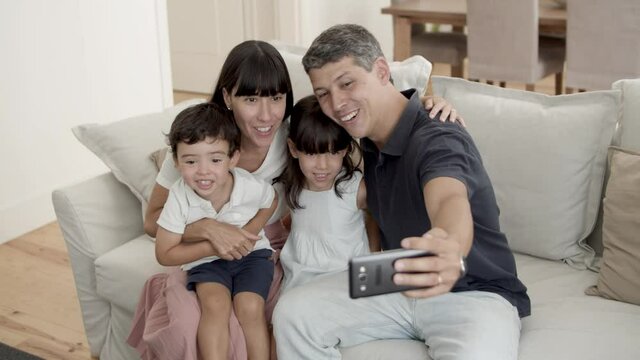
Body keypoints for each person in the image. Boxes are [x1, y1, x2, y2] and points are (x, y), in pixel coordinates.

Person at [127, 39, 463, 360]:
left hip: (265, 250)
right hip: (203, 250)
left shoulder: (296, 136)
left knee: (254, 319)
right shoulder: (201, 148)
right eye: (250, 100)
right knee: (189, 325)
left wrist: (429, 105)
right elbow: (152, 220)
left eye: (276, 98)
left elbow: (369, 109)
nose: (265, 116)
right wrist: (208, 228)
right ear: (228, 97)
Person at [272, 24, 530, 360]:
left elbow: (449, 197)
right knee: (291, 314)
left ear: (381, 71)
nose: (335, 104)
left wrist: (451, 245)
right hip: (393, 274)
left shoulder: (440, 138)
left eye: (347, 83)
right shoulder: (362, 135)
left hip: (473, 290)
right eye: (323, 93)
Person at [155, 102, 277, 359]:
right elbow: (165, 254)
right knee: (215, 306)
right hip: (206, 262)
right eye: (190, 161)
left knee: (250, 306)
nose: (203, 171)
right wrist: (214, 247)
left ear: (233, 158)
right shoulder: (179, 196)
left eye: (215, 159)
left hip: (252, 257)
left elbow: (272, 201)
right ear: (176, 161)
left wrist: (247, 234)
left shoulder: (250, 186)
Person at [276, 95, 378, 293]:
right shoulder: (293, 185)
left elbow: (375, 215)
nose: (322, 166)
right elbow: (305, 218)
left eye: (332, 153)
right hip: (300, 278)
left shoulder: (354, 188)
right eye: (312, 154)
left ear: (346, 149)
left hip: (344, 278)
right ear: (294, 149)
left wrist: (372, 256)